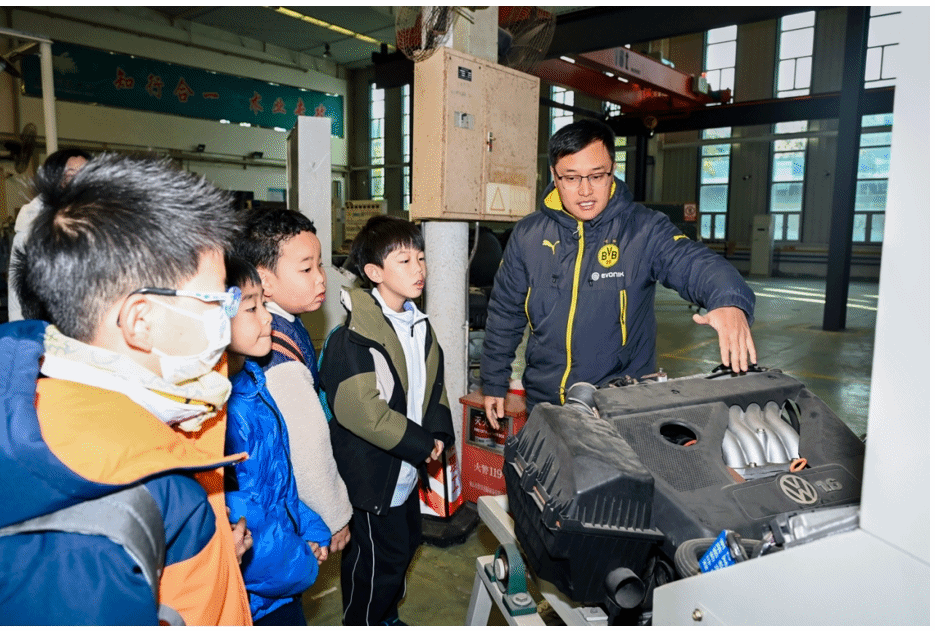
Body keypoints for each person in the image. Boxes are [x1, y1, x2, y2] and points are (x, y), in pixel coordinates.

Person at [0, 153, 252, 626]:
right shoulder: (115, 512)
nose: (228, 315)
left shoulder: (50, 407)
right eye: (216, 300)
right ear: (141, 321)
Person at [484, 120, 757, 425]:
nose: (585, 190)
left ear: (613, 170)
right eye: (571, 178)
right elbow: (505, 312)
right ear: (554, 175)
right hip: (546, 406)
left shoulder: (643, 230)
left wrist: (728, 299)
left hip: (618, 409)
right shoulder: (528, 235)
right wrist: (493, 380)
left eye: (597, 176)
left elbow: (693, 261)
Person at [321, 215, 454, 626]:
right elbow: (362, 411)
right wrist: (420, 444)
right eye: (404, 260)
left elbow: (433, 387)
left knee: (404, 546)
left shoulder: (417, 325)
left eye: (421, 257)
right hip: (373, 477)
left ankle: (386, 617)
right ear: (374, 272)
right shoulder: (354, 337)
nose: (418, 269)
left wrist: (438, 432)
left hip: (405, 470)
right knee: (374, 565)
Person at [234, 207, 353, 557]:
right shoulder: (276, 353)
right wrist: (335, 516)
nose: (321, 278)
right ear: (265, 281)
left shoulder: (284, 323)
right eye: (306, 268)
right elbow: (307, 448)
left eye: (320, 265)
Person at [222, 256, 331, 626]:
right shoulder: (222, 415)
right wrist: (301, 560)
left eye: (263, 305)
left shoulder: (253, 384)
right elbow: (244, 517)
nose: (267, 318)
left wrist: (310, 525)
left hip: (279, 581)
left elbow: (277, 483)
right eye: (251, 308)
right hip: (254, 599)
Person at [5, 148, 91, 322]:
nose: (79, 181)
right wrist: (22, 328)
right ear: (54, 179)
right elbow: (17, 290)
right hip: (49, 324)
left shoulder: (101, 218)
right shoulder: (31, 223)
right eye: (70, 175)